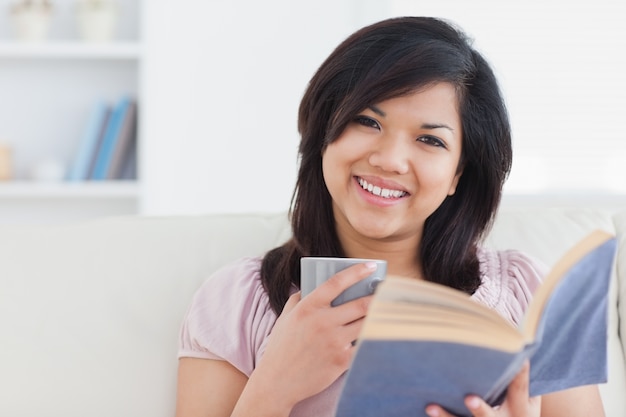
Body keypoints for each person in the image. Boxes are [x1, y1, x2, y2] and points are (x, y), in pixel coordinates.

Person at [175, 16, 605, 417]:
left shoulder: (533, 296)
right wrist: (274, 386)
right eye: (368, 120)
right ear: (324, 133)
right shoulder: (238, 303)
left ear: (459, 172)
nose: (390, 160)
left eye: (430, 140)